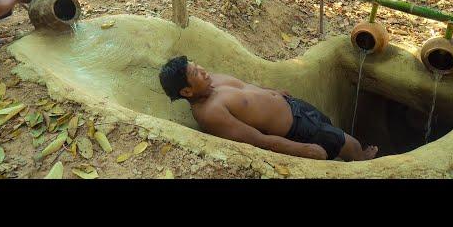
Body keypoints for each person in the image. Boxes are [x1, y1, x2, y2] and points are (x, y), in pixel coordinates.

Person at [159, 56, 378, 161]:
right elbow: (257, 140)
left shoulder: (211, 82)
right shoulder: (210, 114)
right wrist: (301, 149)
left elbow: (246, 89)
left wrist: (273, 91)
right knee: (349, 144)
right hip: (295, 128)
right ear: (186, 92)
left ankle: (351, 154)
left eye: (198, 66)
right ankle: (361, 162)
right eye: (196, 73)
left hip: (292, 106)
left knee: (328, 123)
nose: (204, 71)